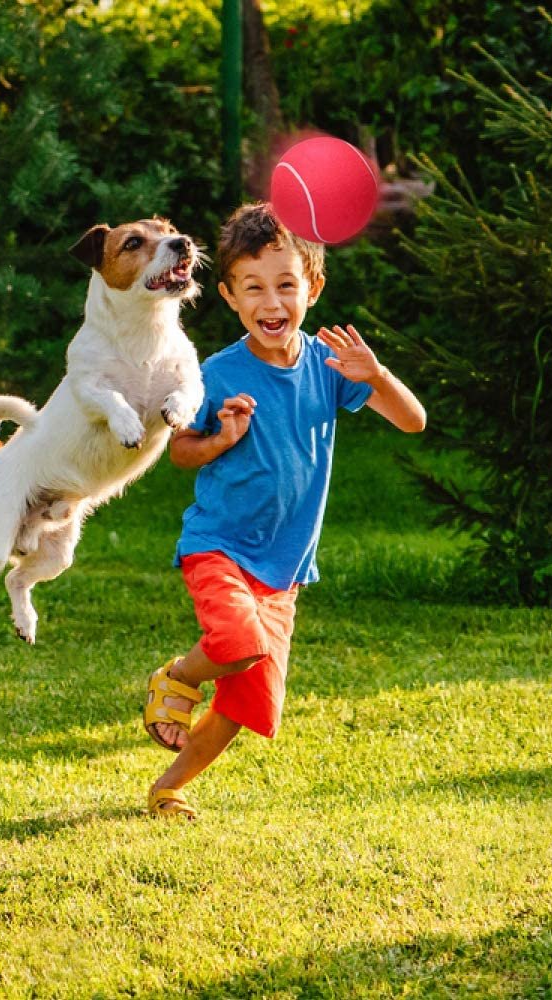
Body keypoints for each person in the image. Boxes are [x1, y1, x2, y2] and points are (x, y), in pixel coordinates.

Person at [143, 202, 426, 818]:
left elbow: (413, 420)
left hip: (283, 568)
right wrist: (220, 439)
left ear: (313, 289)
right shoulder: (215, 373)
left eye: (286, 285)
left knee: (247, 703)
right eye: (254, 288)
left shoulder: (331, 367)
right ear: (229, 297)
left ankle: (171, 786)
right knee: (236, 641)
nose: (272, 303)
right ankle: (178, 678)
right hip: (219, 543)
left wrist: (375, 374)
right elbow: (180, 452)